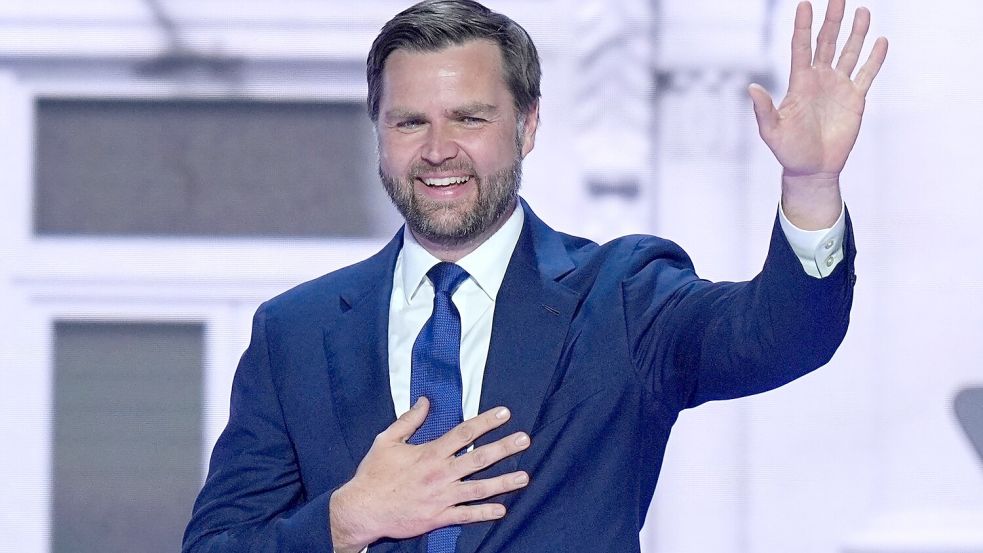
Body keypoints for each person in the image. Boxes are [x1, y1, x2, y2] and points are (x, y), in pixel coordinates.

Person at [183, 0, 887, 551]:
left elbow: (780, 336)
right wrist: (344, 519)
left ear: (526, 127)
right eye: (408, 122)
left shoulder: (621, 296)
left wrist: (810, 183)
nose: (437, 150)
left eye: (468, 117)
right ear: (378, 132)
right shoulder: (294, 332)